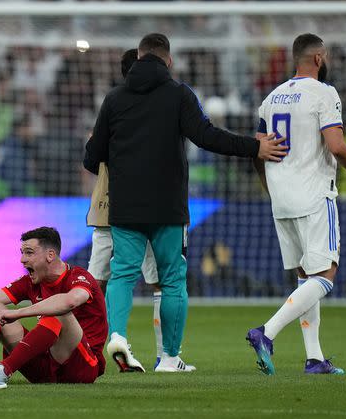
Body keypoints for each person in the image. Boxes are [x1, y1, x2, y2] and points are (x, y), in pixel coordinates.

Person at [84, 33, 288, 373]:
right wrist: (254, 147)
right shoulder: (178, 94)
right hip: (167, 206)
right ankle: (169, 357)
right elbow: (207, 136)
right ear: (169, 60)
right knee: (171, 280)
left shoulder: (115, 98)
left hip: (125, 206)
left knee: (121, 275)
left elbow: (93, 158)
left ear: (138, 58)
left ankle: (117, 334)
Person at [247, 33, 346, 375]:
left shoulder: (271, 98)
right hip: (314, 193)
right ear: (319, 58)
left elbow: (257, 153)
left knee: (306, 275)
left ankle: (314, 358)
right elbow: (336, 145)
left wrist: (271, 189)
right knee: (325, 275)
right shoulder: (324, 93)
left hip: (282, 199)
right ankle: (267, 332)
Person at [86, 47, 162, 372]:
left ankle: (86, 351)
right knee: (161, 282)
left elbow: (91, 157)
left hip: (104, 206)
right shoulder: (155, 108)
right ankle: (167, 356)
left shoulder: (111, 105)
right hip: (147, 209)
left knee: (92, 284)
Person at [0, 227, 108, 388]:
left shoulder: (79, 277)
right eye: (22, 253)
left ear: (50, 255)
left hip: (81, 368)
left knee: (59, 311)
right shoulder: (30, 281)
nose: (22, 259)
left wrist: (18, 313)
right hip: (43, 366)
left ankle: (2, 371)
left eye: (29, 253)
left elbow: (70, 301)